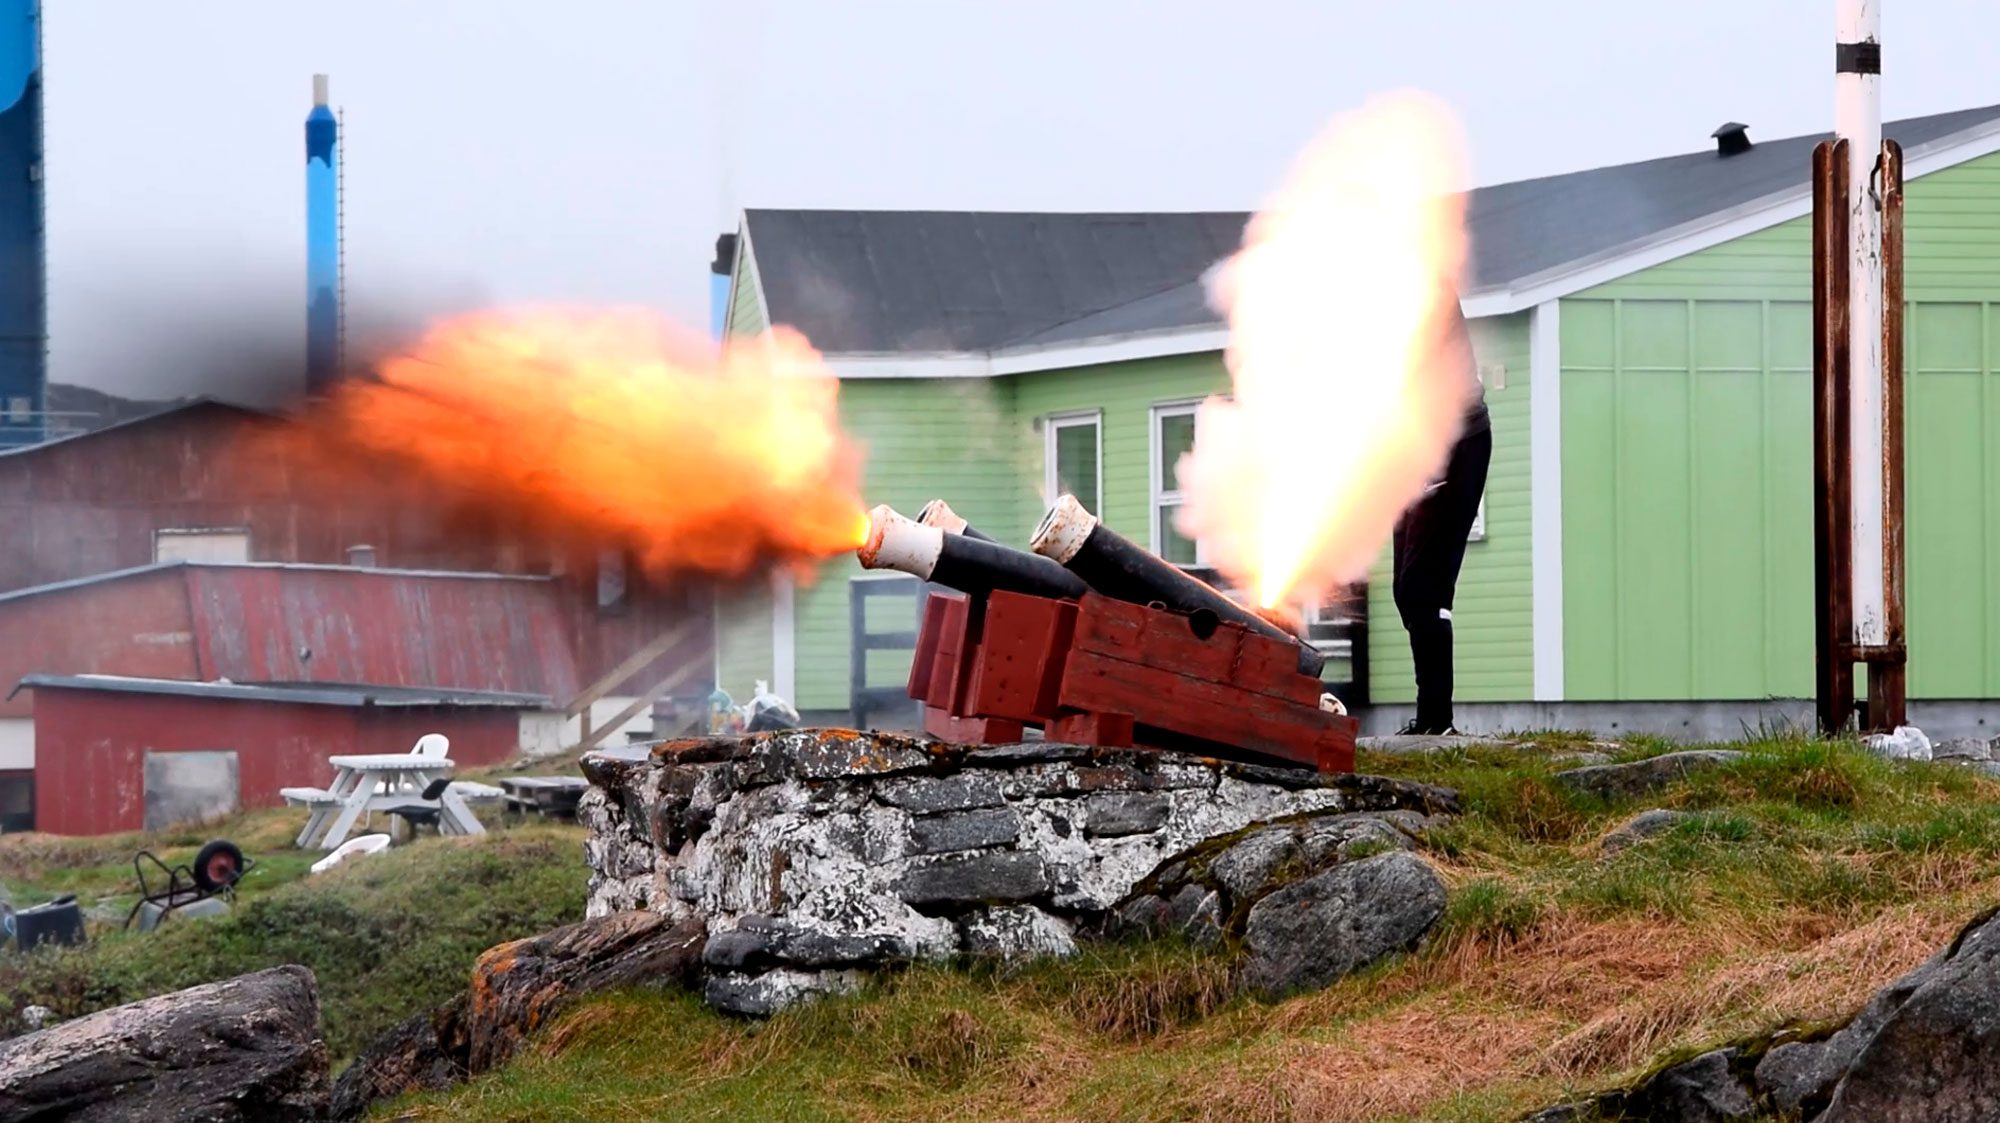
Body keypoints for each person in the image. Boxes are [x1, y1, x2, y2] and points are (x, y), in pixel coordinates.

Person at [1393, 286, 1492, 737]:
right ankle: (1430, 717)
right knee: (1404, 589)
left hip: (1455, 446)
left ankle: (1438, 720)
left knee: (1423, 587)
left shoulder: (1423, 286)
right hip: (1414, 450)